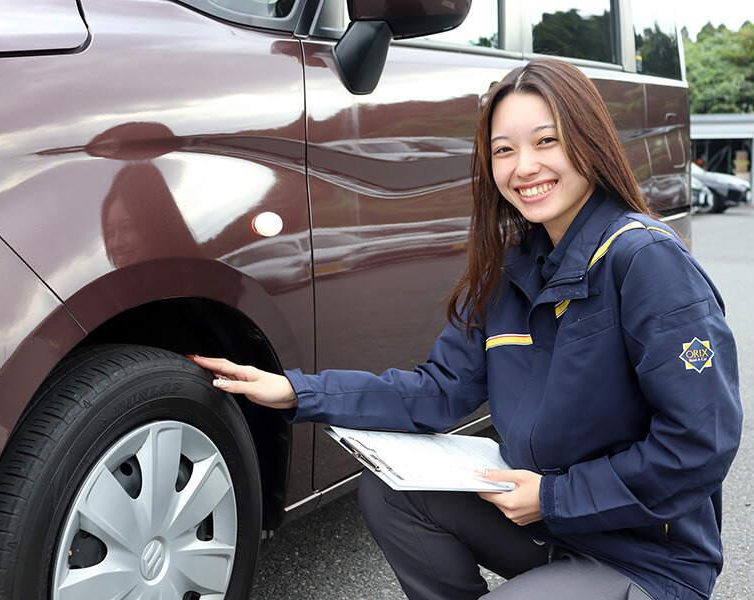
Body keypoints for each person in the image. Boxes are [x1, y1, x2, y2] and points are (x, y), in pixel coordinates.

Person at [190, 58, 742, 600]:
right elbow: (436, 392)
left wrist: (555, 497)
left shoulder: (644, 261)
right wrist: (294, 390)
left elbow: (699, 443)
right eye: (504, 150)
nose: (524, 167)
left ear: (589, 142)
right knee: (394, 493)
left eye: (546, 142)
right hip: (555, 528)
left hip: (647, 558)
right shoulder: (513, 270)